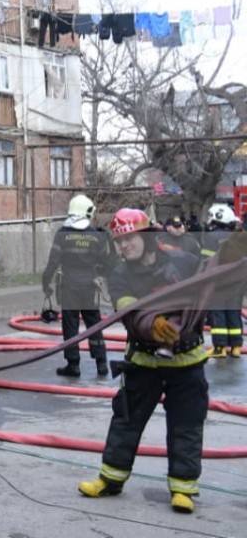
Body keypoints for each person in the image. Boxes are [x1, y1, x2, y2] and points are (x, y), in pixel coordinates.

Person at [79, 208, 208, 514]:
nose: (123, 246)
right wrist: (152, 325)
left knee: (186, 424)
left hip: (186, 362)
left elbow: (210, 286)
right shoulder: (119, 274)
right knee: (126, 420)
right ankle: (111, 479)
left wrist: (229, 258)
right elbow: (129, 311)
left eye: (129, 238)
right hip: (143, 361)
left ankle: (183, 489)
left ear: (147, 236)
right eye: (119, 241)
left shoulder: (183, 262)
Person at [40, 194, 113, 377]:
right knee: (94, 323)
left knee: (70, 325)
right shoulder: (97, 236)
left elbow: (52, 262)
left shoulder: (62, 234)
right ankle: (101, 363)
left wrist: (46, 283)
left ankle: (73, 365)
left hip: (69, 285)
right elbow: (106, 263)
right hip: (90, 285)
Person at [202, 203, 242, 357]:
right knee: (233, 312)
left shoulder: (211, 237)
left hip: (218, 281)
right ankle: (236, 347)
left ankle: (220, 347)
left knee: (217, 312)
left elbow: (206, 261)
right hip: (237, 281)